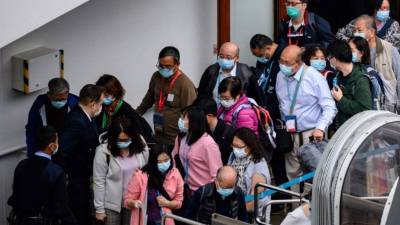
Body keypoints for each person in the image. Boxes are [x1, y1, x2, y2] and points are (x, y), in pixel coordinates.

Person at [276, 45, 337, 192]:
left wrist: (320, 128)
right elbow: (282, 103)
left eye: (287, 63)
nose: (282, 65)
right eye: (281, 61)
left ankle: (311, 211)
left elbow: (330, 107)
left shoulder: (314, 77)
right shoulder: (280, 76)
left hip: (311, 134)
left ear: (298, 63)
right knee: (292, 175)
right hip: (289, 133)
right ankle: (294, 209)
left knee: (313, 177)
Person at [56, 84, 105, 225]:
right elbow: (64, 151)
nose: (100, 107)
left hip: (84, 175)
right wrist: (69, 175)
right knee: (80, 213)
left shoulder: (87, 117)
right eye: (100, 104)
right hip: (77, 178)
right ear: (92, 104)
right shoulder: (76, 121)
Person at [8, 126, 77, 225]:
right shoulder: (56, 172)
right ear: (52, 146)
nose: (58, 144)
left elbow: (15, 196)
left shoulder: (21, 165)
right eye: (57, 141)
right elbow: (62, 208)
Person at [93, 117, 149, 225]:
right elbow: (99, 181)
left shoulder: (140, 145)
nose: (123, 142)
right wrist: (99, 209)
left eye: (127, 139)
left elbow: (144, 169)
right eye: (119, 140)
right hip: (112, 205)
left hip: (134, 202)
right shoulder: (103, 152)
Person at [136, 46, 197, 146]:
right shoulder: (156, 76)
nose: (164, 69)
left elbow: (190, 113)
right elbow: (149, 98)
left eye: (168, 66)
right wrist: (137, 113)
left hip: (176, 139)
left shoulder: (185, 84)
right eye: (161, 65)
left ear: (177, 65)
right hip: (158, 134)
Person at [124, 145, 184, 225]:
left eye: (166, 160)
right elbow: (127, 201)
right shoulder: (140, 176)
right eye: (159, 162)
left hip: (165, 221)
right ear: (153, 162)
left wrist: (168, 203)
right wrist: (134, 203)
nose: (163, 164)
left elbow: (179, 202)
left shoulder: (175, 174)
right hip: (145, 221)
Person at [353, 15, 400, 112]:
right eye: (354, 31)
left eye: (360, 30)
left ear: (371, 32)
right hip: (362, 107)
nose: (355, 34)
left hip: (387, 108)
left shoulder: (390, 50)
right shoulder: (353, 51)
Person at [171, 106, 222, 193]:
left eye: (184, 118)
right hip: (185, 189)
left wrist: (209, 193)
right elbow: (174, 158)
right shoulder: (182, 138)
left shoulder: (208, 144)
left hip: (202, 192)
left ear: (193, 122)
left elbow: (217, 173)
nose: (181, 120)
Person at [227, 128, 271, 223]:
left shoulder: (259, 164)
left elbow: (253, 201)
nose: (235, 149)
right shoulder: (233, 157)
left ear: (250, 146)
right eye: (233, 145)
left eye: (238, 147)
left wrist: (235, 212)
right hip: (234, 208)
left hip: (251, 214)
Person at [25, 78, 78, 157]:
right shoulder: (40, 104)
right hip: (46, 150)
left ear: (67, 93)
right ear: (49, 95)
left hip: (68, 150)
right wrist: (31, 153)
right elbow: (31, 129)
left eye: (63, 99)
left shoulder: (74, 103)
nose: (60, 102)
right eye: (57, 99)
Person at [95, 74, 153, 142]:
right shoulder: (100, 108)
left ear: (115, 93)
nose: (103, 97)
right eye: (101, 95)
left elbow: (138, 136)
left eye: (106, 95)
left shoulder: (126, 111)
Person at [328, 40, 372, 127]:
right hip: (342, 129)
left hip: (357, 131)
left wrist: (341, 99)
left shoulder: (360, 79)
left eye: (329, 57)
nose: (328, 60)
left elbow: (365, 109)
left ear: (334, 59)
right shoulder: (338, 76)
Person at [336, 0, 400, 52]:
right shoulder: (361, 20)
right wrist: (353, 43)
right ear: (375, 8)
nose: (385, 11)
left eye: (387, 8)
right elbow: (339, 34)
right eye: (383, 8)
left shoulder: (394, 25)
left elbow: (395, 48)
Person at [194, 98, 234, 164]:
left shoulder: (228, 133)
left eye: (198, 117)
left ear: (209, 116)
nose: (195, 120)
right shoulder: (200, 129)